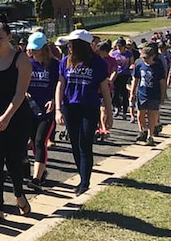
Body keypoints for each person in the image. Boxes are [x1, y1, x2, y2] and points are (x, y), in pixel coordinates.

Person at [0, 19, 32, 224]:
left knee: (13, 160)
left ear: (9, 37)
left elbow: (20, 93)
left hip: (17, 115)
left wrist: (7, 117)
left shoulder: (21, 59)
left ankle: (19, 194)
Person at [55, 29, 113, 196]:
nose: (69, 47)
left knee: (85, 144)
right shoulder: (65, 61)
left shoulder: (98, 63)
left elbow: (105, 89)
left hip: (89, 107)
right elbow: (60, 85)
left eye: (72, 44)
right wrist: (58, 109)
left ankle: (85, 182)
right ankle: (81, 176)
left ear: (82, 45)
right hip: (70, 107)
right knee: (74, 143)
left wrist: (108, 113)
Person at [25, 32, 59, 190]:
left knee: (40, 141)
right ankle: (42, 170)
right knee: (33, 142)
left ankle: (36, 179)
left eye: (37, 49)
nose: (34, 52)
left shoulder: (55, 65)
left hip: (47, 111)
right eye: (32, 49)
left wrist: (54, 100)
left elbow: (60, 87)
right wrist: (24, 92)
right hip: (30, 109)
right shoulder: (27, 63)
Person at [131, 43, 166, 146]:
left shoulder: (158, 67)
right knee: (140, 115)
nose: (145, 59)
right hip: (142, 93)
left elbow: (162, 82)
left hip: (154, 94)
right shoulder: (139, 65)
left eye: (146, 57)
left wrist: (163, 95)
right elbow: (135, 79)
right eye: (143, 57)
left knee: (152, 115)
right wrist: (132, 93)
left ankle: (150, 136)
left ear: (152, 56)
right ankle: (144, 130)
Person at [110, 38, 133, 119]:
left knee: (124, 93)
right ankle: (117, 107)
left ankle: (124, 111)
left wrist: (131, 68)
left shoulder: (128, 54)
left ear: (124, 46)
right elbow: (111, 63)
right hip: (116, 74)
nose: (118, 48)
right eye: (117, 46)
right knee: (115, 93)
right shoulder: (114, 53)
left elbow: (131, 63)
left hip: (125, 75)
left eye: (120, 46)